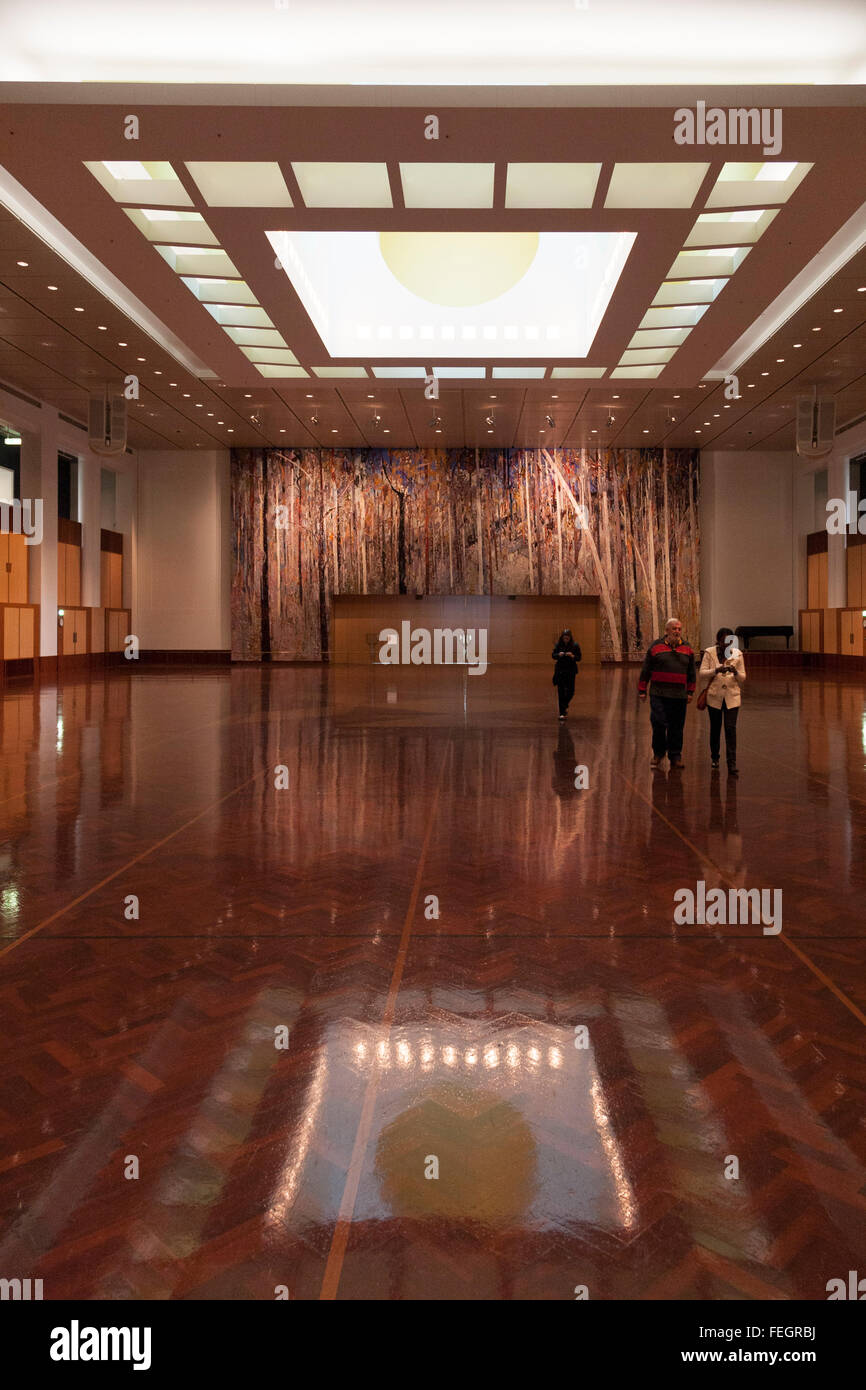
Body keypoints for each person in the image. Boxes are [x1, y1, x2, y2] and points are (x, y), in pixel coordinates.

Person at [638, 617, 696, 769]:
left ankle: (675, 755)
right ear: (667, 631)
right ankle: (658, 753)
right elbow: (646, 669)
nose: (677, 631)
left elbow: (691, 673)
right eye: (674, 629)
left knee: (677, 726)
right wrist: (642, 690)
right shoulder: (656, 646)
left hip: (679, 695)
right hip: (659, 693)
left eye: (679, 629)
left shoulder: (687, 648)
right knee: (658, 723)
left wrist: (690, 691)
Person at [698, 627, 746, 777]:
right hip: (715, 696)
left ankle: (732, 763)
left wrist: (735, 672)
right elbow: (702, 673)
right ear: (718, 640)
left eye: (729, 640)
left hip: (732, 697)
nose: (726, 644)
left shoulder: (737, 654)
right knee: (715, 728)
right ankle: (715, 758)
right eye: (723, 640)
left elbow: (743, 677)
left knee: (730, 729)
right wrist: (716, 670)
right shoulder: (709, 652)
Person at [552, 628, 581, 720]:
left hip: (571, 671)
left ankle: (565, 705)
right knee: (561, 692)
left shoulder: (575, 646)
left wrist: (572, 656)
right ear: (562, 637)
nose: (566, 640)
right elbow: (553, 655)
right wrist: (558, 655)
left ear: (570, 638)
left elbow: (579, 657)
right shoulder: (558, 645)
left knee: (571, 691)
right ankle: (562, 713)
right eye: (564, 638)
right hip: (560, 671)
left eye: (567, 638)